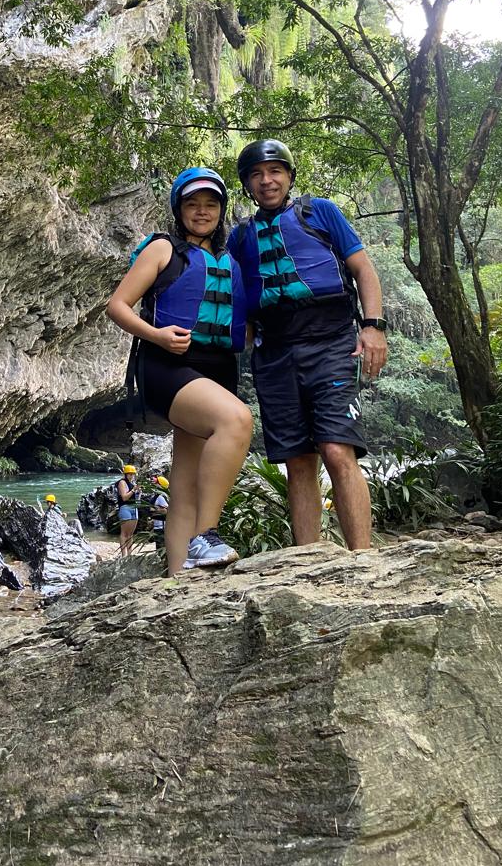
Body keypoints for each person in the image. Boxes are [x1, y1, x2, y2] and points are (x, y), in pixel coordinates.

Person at [228, 139, 389, 551]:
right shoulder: (240, 237)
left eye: (275, 171)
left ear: (289, 175)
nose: (267, 181)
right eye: (257, 175)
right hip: (275, 351)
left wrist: (373, 327)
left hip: (332, 343)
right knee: (298, 460)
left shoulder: (320, 212)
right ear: (247, 185)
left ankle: (363, 558)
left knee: (336, 449)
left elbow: (362, 269)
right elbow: (238, 302)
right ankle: (308, 559)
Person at [107, 167, 252, 573]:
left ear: (221, 211)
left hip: (218, 368)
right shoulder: (162, 250)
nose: (202, 211)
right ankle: (206, 536)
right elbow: (117, 306)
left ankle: (178, 578)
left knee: (185, 480)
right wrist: (156, 335)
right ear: (179, 209)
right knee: (237, 420)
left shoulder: (230, 260)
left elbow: (247, 321)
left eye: (211, 204)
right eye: (193, 203)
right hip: (167, 364)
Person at [115, 464, 141, 556]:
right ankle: (124, 555)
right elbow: (124, 497)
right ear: (125, 474)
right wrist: (133, 490)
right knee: (124, 533)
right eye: (129, 474)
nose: (131, 476)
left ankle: (130, 554)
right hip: (125, 508)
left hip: (134, 508)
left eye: (132, 474)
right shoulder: (122, 482)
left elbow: (137, 499)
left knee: (130, 534)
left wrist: (139, 492)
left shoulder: (132, 483)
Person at [149, 475, 169, 548]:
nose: (154, 484)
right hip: (159, 526)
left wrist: (154, 509)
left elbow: (166, 510)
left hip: (161, 527)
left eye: (156, 483)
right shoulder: (159, 495)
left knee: (161, 547)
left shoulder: (161, 497)